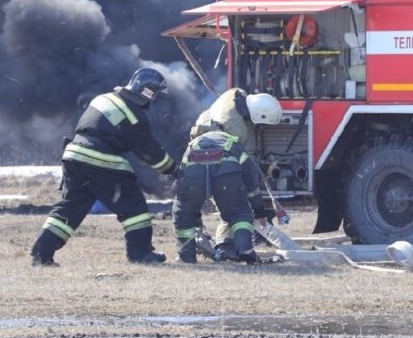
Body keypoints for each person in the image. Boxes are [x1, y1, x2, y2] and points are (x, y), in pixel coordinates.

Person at [30, 68, 179, 266]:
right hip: (99, 159)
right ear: (147, 92)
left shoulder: (104, 98)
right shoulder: (134, 115)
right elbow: (150, 152)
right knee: (133, 206)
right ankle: (140, 254)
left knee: (70, 208)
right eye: (155, 93)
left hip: (74, 155)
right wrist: (174, 170)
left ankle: (41, 254)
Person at [172, 89, 282, 263]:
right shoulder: (235, 134)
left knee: (184, 213)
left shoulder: (234, 97)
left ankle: (186, 257)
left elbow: (182, 172)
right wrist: (259, 210)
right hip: (225, 171)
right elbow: (250, 180)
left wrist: (184, 198)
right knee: (238, 212)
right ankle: (244, 249)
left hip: (194, 166)